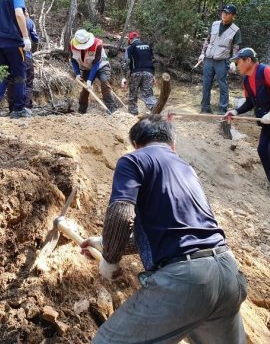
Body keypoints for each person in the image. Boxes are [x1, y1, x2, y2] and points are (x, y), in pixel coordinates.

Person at [80, 115, 248, 344]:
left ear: (136, 144)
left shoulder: (134, 161)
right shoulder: (186, 168)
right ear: (173, 145)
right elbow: (175, 232)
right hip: (227, 273)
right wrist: (104, 242)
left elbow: (121, 213)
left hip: (188, 280)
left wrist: (109, 259)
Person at [224, 48, 270, 202]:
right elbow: (250, 102)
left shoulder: (266, 71)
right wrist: (236, 112)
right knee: (262, 150)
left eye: (238, 62)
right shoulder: (246, 80)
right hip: (269, 120)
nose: (236, 65)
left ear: (248, 60)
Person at [0, 11, 39, 114]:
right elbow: (35, 38)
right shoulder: (28, 22)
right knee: (25, 81)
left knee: (8, 78)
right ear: (25, 13)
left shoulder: (3, 21)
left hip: (2, 50)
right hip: (22, 53)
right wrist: (32, 48)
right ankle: (24, 107)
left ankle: (11, 108)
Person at [198, 4, 242, 114]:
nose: (224, 15)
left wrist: (233, 61)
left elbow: (236, 47)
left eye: (227, 13)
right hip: (209, 58)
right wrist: (202, 53)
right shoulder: (214, 24)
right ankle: (205, 107)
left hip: (222, 61)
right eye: (223, 12)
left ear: (233, 16)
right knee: (206, 83)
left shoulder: (236, 30)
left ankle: (222, 110)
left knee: (223, 85)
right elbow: (207, 40)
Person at [70, 29, 117, 114]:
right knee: (86, 88)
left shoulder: (97, 44)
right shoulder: (72, 45)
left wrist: (90, 79)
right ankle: (82, 110)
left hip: (101, 65)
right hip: (87, 68)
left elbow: (96, 63)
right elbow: (73, 60)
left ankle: (112, 108)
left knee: (104, 81)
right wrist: (77, 73)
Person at [120, 31, 156, 115]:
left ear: (130, 39)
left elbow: (126, 62)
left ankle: (133, 114)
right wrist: (153, 74)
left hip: (136, 73)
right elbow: (152, 61)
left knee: (133, 94)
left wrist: (124, 77)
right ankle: (155, 110)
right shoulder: (148, 47)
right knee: (148, 95)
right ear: (139, 38)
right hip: (148, 73)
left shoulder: (130, 48)